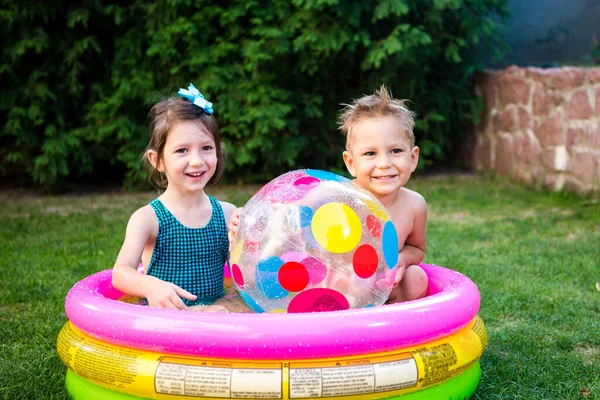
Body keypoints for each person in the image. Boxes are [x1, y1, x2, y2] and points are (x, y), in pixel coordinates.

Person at [112, 83, 237, 311]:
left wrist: (243, 240)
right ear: (157, 160)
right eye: (182, 150)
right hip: (168, 320)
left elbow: (246, 277)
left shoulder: (227, 214)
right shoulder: (148, 219)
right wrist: (151, 287)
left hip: (216, 311)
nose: (197, 161)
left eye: (207, 148)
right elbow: (120, 274)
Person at [338, 85, 428, 303]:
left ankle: (400, 333)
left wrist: (403, 260)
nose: (384, 164)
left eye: (395, 151)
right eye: (370, 153)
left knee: (417, 278)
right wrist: (247, 217)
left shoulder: (414, 205)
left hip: (387, 287)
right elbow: (294, 214)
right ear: (351, 163)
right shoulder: (340, 198)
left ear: (413, 157)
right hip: (342, 290)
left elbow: (416, 248)